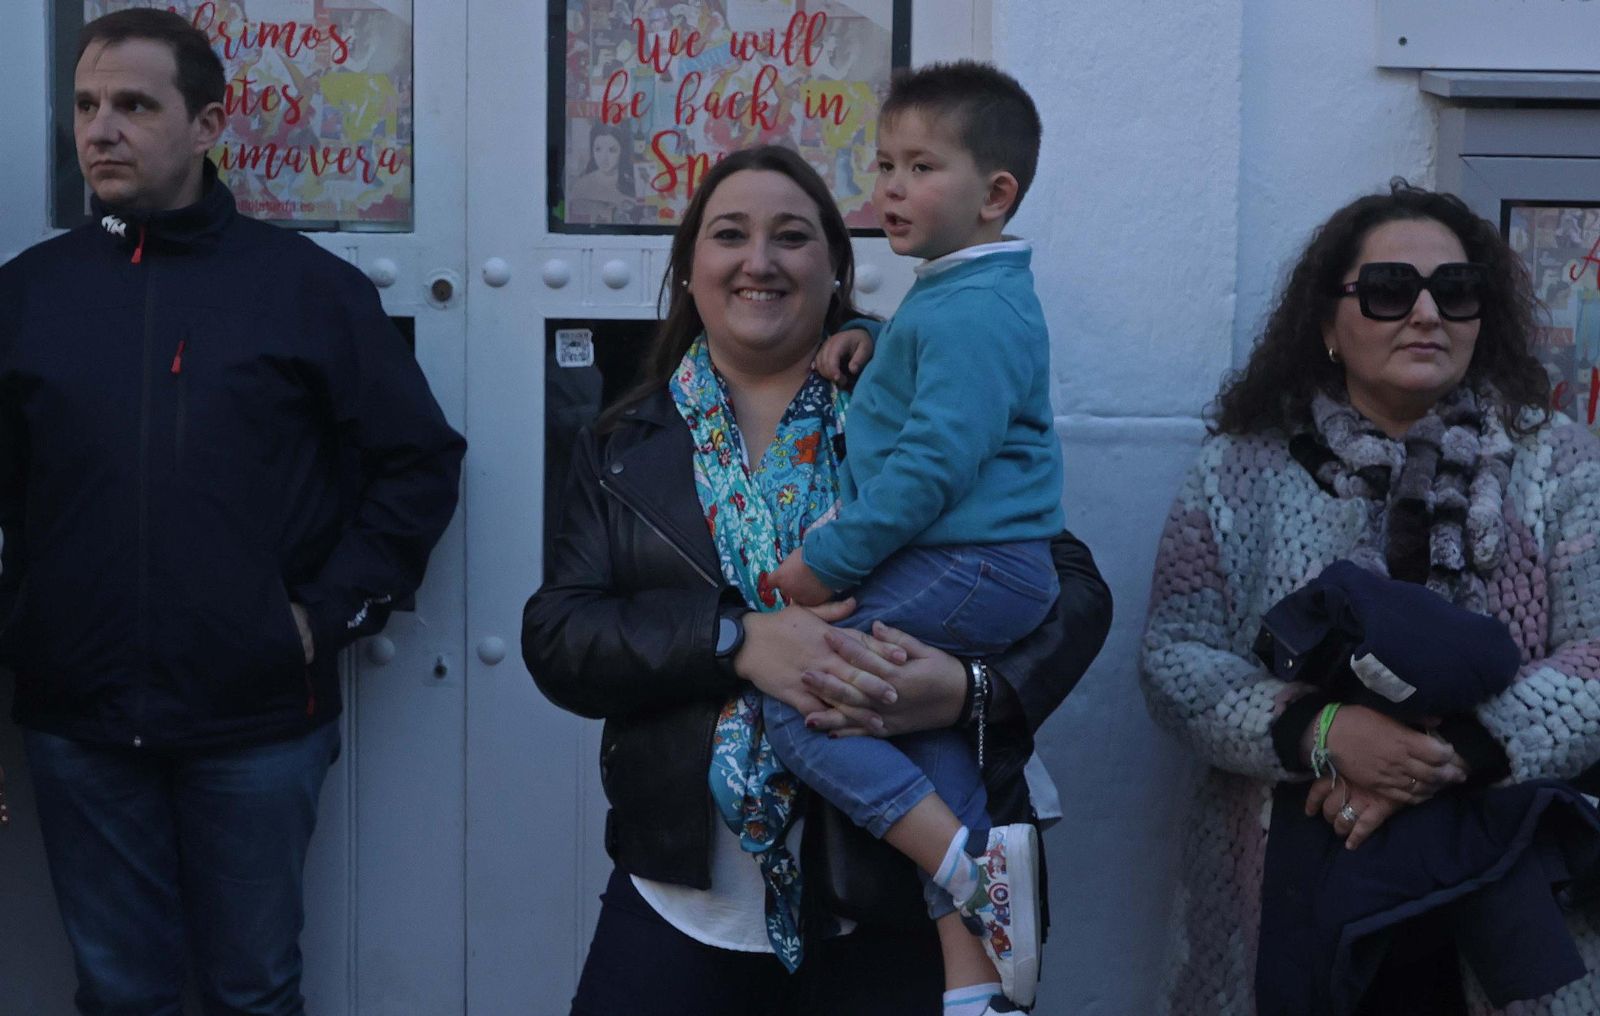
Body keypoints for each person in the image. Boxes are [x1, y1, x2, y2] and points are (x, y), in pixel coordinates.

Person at [522, 144, 1112, 1016]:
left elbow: (1065, 581)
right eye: (730, 235)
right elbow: (562, 635)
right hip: (681, 899)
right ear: (690, 268)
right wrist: (739, 640)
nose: (759, 261)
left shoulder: (909, 403)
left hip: (886, 906)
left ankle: (972, 891)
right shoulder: (620, 445)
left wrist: (963, 690)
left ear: (836, 267)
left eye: (792, 237)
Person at [0, 10, 465, 1015]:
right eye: (86, 105)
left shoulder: (306, 292)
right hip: (76, 722)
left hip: (254, 719)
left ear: (208, 122)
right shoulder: (30, 296)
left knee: (254, 991)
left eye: (133, 104)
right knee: (122, 993)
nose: (101, 129)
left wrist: (320, 612)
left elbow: (417, 463)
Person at [1140, 180, 1600, 1015]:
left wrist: (1445, 753)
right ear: (1327, 323)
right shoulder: (1241, 468)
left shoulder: (1560, 464)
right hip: (1287, 877)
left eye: (1455, 291)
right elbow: (1176, 657)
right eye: (1390, 290)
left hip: (1499, 889)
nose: (1426, 314)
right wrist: (1323, 732)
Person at [765, 61, 1061, 1009]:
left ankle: (972, 872)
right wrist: (874, 341)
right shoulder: (954, 296)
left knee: (803, 692)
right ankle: (977, 989)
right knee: (924, 738)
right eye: (884, 163)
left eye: (920, 166)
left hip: (972, 565)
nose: (889, 187)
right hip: (972, 567)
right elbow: (937, 382)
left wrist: (828, 563)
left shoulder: (971, 310)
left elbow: (936, 463)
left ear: (995, 194)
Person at [568, 123, 638, 224]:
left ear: (622, 152)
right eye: (598, 149)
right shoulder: (581, 185)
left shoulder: (633, 184)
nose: (604, 158)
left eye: (612, 150)